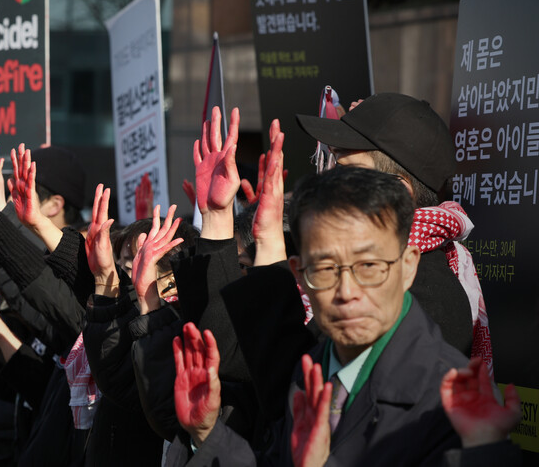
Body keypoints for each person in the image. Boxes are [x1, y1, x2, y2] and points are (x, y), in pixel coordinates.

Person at [168, 166, 520, 466]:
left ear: (409, 265)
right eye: (325, 268)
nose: (346, 291)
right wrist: (207, 434)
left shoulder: (450, 402)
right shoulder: (312, 368)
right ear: (299, 272)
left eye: (369, 266)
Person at [296, 93, 481, 361]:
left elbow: (292, 374)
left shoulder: (420, 299)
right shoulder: (392, 278)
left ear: (398, 195)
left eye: (347, 172)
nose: (330, 180)